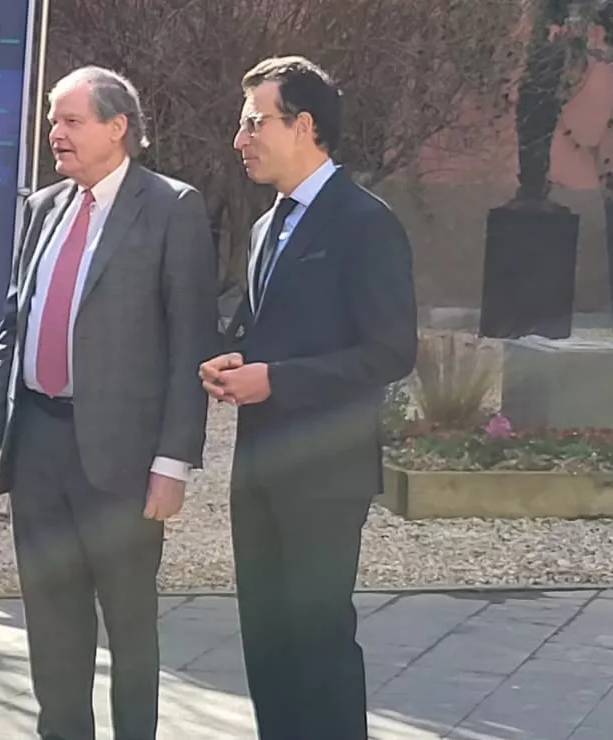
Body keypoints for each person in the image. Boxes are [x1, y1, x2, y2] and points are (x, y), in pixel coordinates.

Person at [0, 66, 218, 740]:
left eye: (69, 120)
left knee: (129, 629)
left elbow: (192, 343)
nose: (54, 133)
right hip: (37, 445)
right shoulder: (43, 207)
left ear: (117, 127)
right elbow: (14, 326)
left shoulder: (171, 208)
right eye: (52, 119)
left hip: (123, 461)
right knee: (51, 621)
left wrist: (173, 462)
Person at [199, 56, 416, 740]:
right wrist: (237, 360)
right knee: (266, 643)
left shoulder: (364, 223)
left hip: (324, 477)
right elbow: (273, 335)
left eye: (254, 122)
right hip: (259, 468)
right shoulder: (267, 227)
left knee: (318, 644)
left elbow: (390, 353)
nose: (242, 140)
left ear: (306, 126)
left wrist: (278, 379)